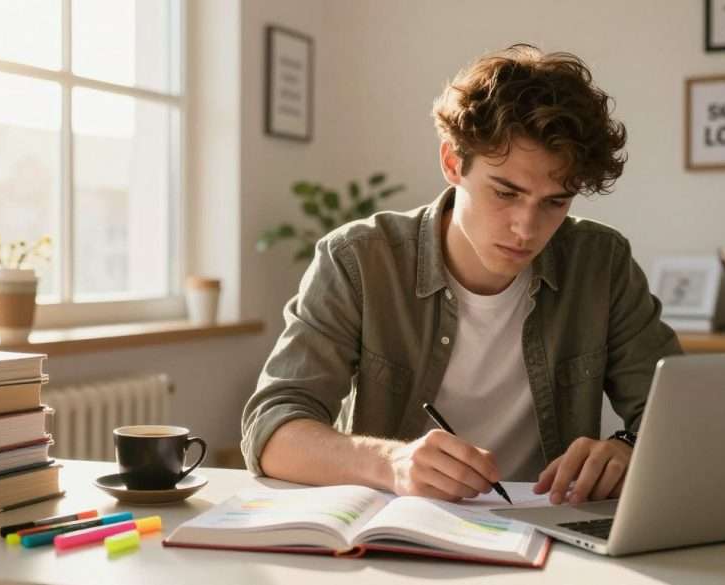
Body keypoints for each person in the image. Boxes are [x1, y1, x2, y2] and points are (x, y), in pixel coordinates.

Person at [241, 44, 682, 506]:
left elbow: (680, 413)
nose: (526, 229)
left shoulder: (601, 263)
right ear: (453, 163)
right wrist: (392, 464)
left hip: (554, 532)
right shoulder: (359, 260)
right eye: (505, 193)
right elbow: (272, 428)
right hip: (403, 531)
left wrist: (626, 448)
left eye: (555, 202)